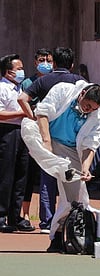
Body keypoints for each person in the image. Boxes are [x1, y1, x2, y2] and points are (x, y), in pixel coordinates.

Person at [21, 80, 100, 252]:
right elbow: (43, 113)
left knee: (75, 195)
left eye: (93, 108)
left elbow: (91, 144)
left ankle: (58, 236)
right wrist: (46, 142)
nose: (89, 110)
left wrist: (86, 168)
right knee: (30, 130)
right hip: (44, 135)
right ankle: (47, 159)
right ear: (82, 94)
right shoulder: (63, 90)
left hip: (69, 148)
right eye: (87, 106)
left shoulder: (97, 113)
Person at [17, 47, 85, 234]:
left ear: (53, 63)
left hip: (47, 136)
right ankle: (71, 220)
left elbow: (22, 98)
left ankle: (47, 221)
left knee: (48, 178)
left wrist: (31, 117)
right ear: (72, 64)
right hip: (71, 139)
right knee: (72, 180)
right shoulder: (79, 81)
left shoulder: (43, 80)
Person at [21, 48, 53, 231]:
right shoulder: (28, 83)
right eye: (42, 60)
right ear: (35, 62)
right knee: (29, 173)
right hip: (32, 131)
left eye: (49, 60)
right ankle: (24, 213)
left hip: (49, 132)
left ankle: (47, 217)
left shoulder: (52, 81)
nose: (46, 63)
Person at [0, 54, 33, 233]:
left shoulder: (22, 89)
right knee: (6, 174)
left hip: (23, 132)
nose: (22, 71)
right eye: (19, 69)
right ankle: (1, 215)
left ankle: (15, 215)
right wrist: (22, 113)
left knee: (22, 174)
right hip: (7, 132)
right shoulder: (2, 88)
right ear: (8, 72)